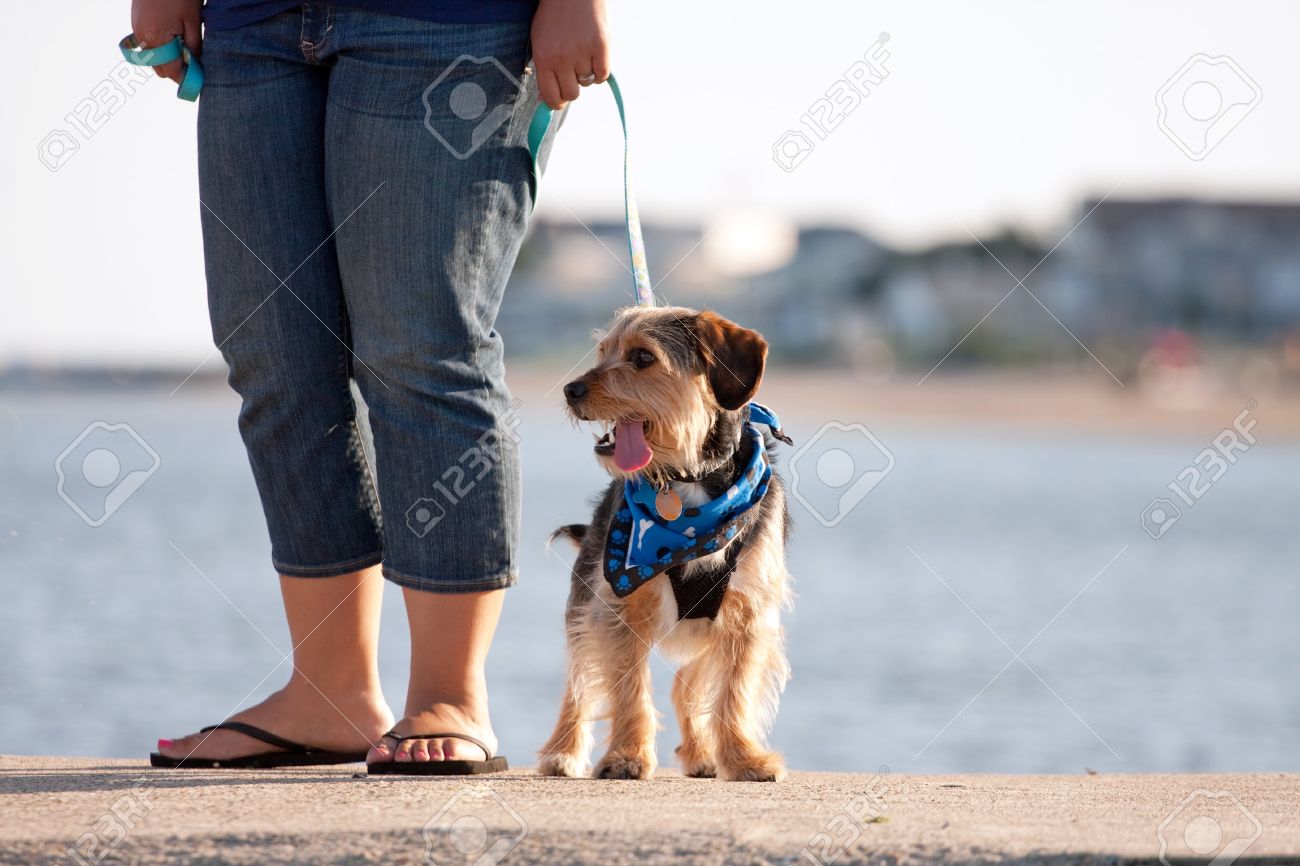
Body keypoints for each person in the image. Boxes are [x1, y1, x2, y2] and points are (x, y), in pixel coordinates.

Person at [133, 0, 609, 770]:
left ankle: (451, 696)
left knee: (422, 350)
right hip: (253, 23)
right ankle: (329, 693)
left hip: (451, 23)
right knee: (276, 354)